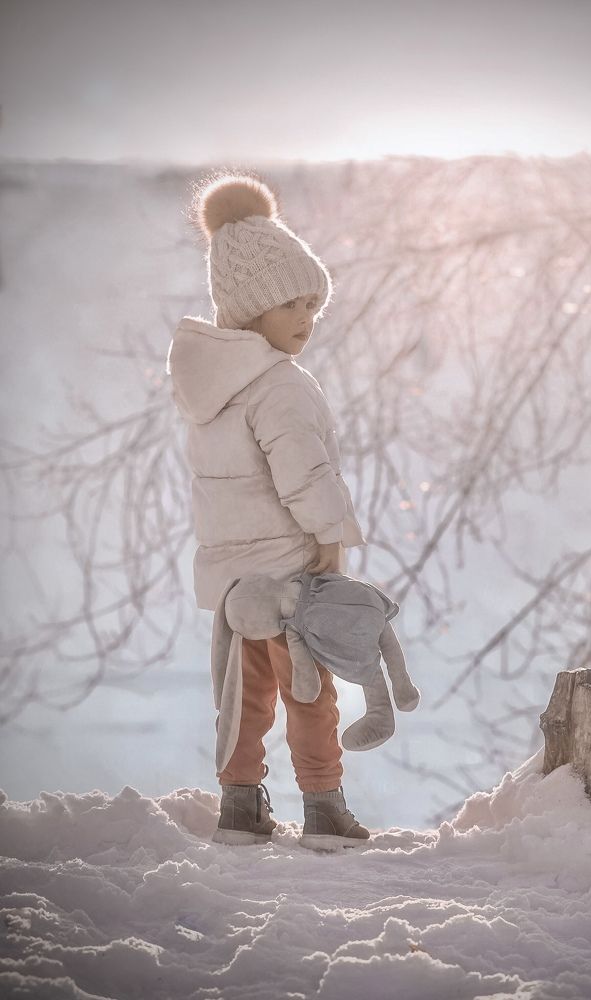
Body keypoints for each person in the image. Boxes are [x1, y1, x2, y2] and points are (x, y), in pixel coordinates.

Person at [166, 172, 370, 850]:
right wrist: (331, 538)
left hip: (233, 579)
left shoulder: (208, 386)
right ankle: (324, 808)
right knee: (309, 689)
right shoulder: (279, 384)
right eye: (291, 303)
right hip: (289, 572)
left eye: (313, 303)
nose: (307, 318)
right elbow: (304, 473)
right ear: (251, 307)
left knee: (240, 695)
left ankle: (240, 807)